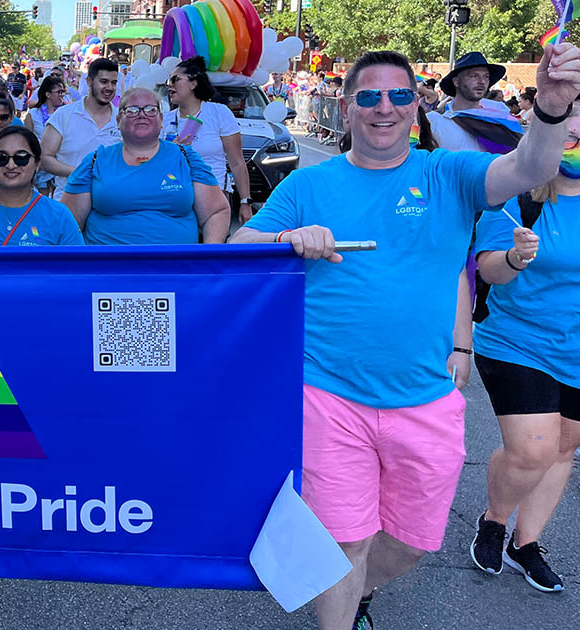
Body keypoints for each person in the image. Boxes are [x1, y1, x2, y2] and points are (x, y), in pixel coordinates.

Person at [229, 47, 580, 630]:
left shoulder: (447, 172)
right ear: (346, 108)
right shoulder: (309, 185)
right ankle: (338, 607)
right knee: (347, 541)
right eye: (368, 96)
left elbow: (527, 169)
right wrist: (288, 237)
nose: (383, 107)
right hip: (326, 393)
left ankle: (343, 591)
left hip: (425, 396)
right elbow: (237, 251)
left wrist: (548, 107)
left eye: (398, 95)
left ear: (416, 104)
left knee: (413, 542)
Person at [469, 111, 580, 593]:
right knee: (533, 449)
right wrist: (515, 256)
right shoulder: (514, 195)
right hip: (516, 340)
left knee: (562, 447)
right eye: (570, 134)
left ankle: (525, 542)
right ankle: (494, 520)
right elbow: (489, 270)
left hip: (575, 346)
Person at [62, 87, 228, 245]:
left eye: (151, 109)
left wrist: (209, 257)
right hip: (108, 269)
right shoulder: (95, 161)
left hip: (177, 268)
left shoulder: (186, 158)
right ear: (118, 121)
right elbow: (67, 222)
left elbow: (216, 212)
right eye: (132, 110)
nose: (142, 115)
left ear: (161, 120)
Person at [163, 57, 255, 223]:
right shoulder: (164, 120)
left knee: (213, 248)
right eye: (168, 80)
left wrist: (245, 202)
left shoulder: (219, 112)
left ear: (193, 84)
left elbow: (237, 162)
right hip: (176, 197)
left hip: (214, 195)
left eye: (175, 79)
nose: (169, 84)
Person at [40, 58, 122, 201]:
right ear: (89, 81)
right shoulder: (63, 115)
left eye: (113, 83)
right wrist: (80, 173)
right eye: (103, 81)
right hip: (68, 202)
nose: (109, 87)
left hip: (108, 204)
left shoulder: (122, 120)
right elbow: (45, 158)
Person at [430, 52, 522, 153]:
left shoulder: (501, 114)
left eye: (486, 76)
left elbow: (520, 154)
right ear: (456, 81)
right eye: (474, 76)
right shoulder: (435, 120)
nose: (482, 81)